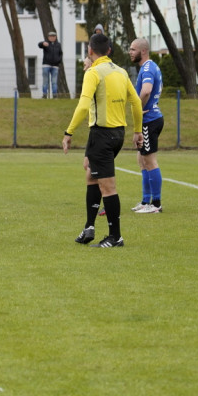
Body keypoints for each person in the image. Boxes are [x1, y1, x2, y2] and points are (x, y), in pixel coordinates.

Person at [62, 33, 143, 248]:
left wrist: (68, 132)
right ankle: (89, 227)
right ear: (109, 51)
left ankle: (115, 237)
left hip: (102, 135)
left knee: (108, 186)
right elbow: (135, 102)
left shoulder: (94, 72)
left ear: (90, 51)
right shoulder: (121, 72)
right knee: (90, 174)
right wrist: (137, 131)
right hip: (117, 134)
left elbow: (82, 105)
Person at [128, 38, 163, 214]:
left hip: (150, 119)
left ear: (143, 51)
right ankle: (145, 201)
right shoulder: (148, 67)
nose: (130, 52)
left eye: (133, 49)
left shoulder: (148, 68)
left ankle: (155, 204)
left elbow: (147, 90)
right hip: (149, 119)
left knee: (149, 161)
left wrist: (139, 109)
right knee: (142, 161)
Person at [37, 31, 62, 99]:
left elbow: (60, 54)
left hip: (55, 66)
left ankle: (54, 95)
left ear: (55, 37)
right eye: (51, 36)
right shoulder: (46, 44)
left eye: (53, 36)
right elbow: (39, 45)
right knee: (45, 81)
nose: (52, 37)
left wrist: (58, 61)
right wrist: (42, 43)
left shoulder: (58, 45)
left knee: (54, 81)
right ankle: (44, 94)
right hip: (46, 65)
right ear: (48, 37)